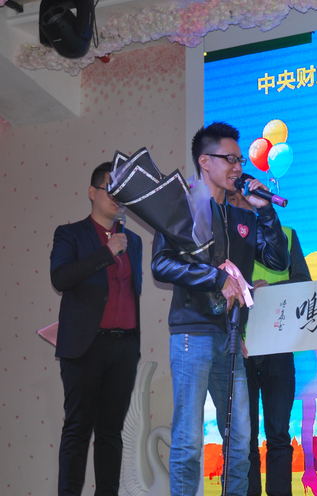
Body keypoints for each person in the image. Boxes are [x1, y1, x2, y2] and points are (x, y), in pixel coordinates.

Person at [151, 122, 289, 496]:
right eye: (230, 159)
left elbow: (277, 260)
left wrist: (265, 212)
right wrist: (215, 278)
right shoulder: (181, 208)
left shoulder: (241, 216)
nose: (238, 167)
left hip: (229, 339)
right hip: (191, 333)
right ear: (204, 161)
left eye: (240, 160)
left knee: (241, 441)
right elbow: (160, 264)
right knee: (188, 439)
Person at [50, 162, 142, 496]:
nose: (117, 197)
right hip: (85, 347)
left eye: (122, 191)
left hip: (124, 347)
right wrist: (107, 252)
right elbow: (61, 278)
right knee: (77, 430)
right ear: (92, 193)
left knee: (110, 432)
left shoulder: (134, 241)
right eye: (109, 188)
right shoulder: (70, 234)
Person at [227, 187, 311, 496]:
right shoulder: (227, 238)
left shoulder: (286, 236)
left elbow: (304, 284)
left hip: (278, 348)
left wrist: (270, 291)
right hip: (242, 349)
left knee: (279, 434)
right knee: (245, 437)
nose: (241, 202)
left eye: (246, 197)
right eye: (234, 199)